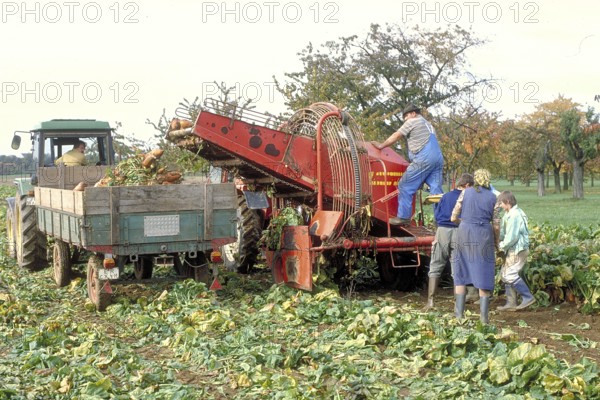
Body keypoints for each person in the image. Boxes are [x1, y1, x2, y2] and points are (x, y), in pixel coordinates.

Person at [372, 104, 444, 226]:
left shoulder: (413, 121)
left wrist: (381, 145)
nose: (405, 119)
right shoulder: (430, 126)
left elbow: (397, 135)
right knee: (436, 192)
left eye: (406, 116)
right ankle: (441, 221)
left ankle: (404, 217)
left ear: (413, 113)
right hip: (438, 159)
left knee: (405, 185)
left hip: (423, 158)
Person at [450, 169, 498, 324]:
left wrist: (464, 223)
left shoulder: (465, 192)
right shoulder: (493, 197)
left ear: (475, 179)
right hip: (483, 235)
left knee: (461, 272)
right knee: (484, 271)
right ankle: (484, 319)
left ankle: (459, 317)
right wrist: (497, 242)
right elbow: (496, 224)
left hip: (464, 233)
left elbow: (453, 216)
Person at [424, 173, 475, 309]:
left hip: (442, 231)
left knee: (435, 265)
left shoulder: (445, 196)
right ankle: (457, 304)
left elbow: (437, 215)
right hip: (459, 231)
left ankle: (430, 301)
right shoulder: (467, 197)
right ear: (467, 185)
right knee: (457, 267)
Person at [496, 191, 536, 311]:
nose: (500, 206)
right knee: (505, 273)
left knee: (509, 274)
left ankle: (527, 297)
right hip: (514, 249)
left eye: (501, 203)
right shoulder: (509, 213)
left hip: (517, 250)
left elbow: (511, 238)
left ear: (507, 202)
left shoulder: (515, 216)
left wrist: (500, 246)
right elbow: (504, 233)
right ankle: (511, 303)